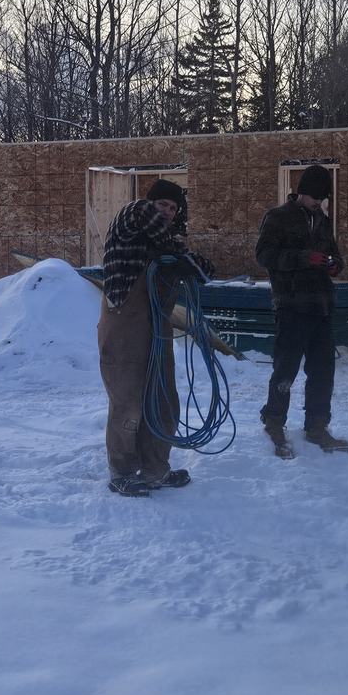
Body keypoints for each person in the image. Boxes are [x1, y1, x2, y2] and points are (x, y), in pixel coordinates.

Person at [98, 179, 215, 497]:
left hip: (156, 326)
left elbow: (192, 265)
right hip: (124, 321)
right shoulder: (135, 213)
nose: (166, 211)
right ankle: (121, 470)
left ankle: (155, 468)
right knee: (129, 401)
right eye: (162, 204)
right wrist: (185, 256)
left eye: (173, 208)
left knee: (164, 399)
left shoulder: (162, 243)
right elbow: (173, 247)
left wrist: (189, 263)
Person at [254, 164, 348, 458]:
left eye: (322, 200)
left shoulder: (323, 220)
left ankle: (317, 425)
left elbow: (335, 255)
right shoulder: (278, 217)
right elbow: (264, 255)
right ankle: (274, 422)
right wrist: (304, 258)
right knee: (286, 369)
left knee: (323, 371)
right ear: (302, 193)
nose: (318, 204)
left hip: (321, 306)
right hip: (291, 305)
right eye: (314, 199)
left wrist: (335, 264)